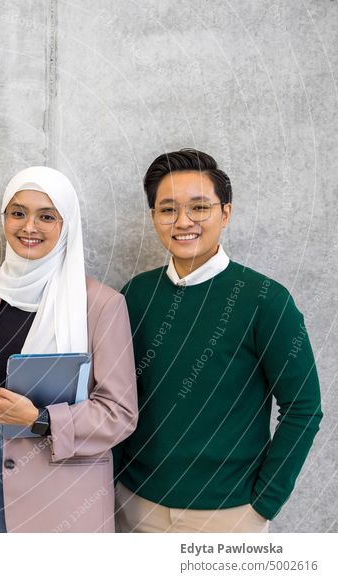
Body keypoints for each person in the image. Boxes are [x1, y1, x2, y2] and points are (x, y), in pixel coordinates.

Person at [115, 149, 322, 533]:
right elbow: (114, 396)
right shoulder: (134, 295)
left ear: (225, 213)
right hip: (134, 505)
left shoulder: (265, 299)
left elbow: (304, 407)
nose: (183, 222)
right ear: (154, 218)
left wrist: (264, 503)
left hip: (228, 515)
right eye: (168, 209)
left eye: (199, 207)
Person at [0, 166, 138, 533]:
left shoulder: (100, 305)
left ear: (67, 224)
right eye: (18, 213)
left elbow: (120, 413)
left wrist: (42, 419)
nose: (29, 227)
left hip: (63, 488)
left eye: (46, 216)